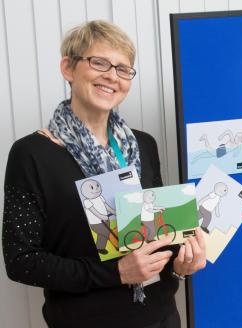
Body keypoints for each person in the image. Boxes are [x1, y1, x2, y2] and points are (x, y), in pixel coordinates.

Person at [2, 20, 205, 328]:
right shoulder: (32, 154)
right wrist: (117, 272)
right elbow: (21, 261)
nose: (112, 76)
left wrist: (181, 263)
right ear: (68, 68)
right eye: (99, 62)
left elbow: (157, 236)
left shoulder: (142, 144)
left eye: (123, 69)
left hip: (161, 316)